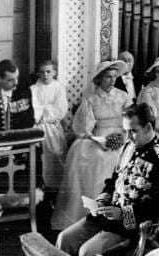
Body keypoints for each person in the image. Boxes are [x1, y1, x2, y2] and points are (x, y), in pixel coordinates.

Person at [56, 102, 159, 256]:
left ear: (149, 127)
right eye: (126, 131)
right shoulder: (129, 147)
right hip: (107, 216)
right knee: (65, 239)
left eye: (133, 131)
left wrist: (124, 214)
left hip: (130, 226)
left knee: (88, 254)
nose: (129, 137)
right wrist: (102, 199)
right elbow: (114, 181)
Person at [51, 59, 131, 230]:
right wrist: (98, 140)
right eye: (108, 77)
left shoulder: (123, 97)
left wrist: (122, 137)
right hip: (98, 136)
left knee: (124, 157)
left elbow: (130, 122)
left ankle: (121, 213)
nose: (112, 81)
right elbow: (84, 128)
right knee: (93, 155)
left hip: (122, 135)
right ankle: (92, 213)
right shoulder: (92, 99)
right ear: (99, 79)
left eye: (114, 77)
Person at [31, 58, 68, 192]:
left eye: (48, 71)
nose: (45, 75)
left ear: (54, 72)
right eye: (42, 72)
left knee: (55, 154)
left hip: (52, 128)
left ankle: (56, 188)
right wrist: (44, 110)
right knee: (40, 158)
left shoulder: (58, 88)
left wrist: (42, 110)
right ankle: (42, 188)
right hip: (38, 127)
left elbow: (61, 109)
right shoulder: (34, 89)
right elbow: (33, 109)